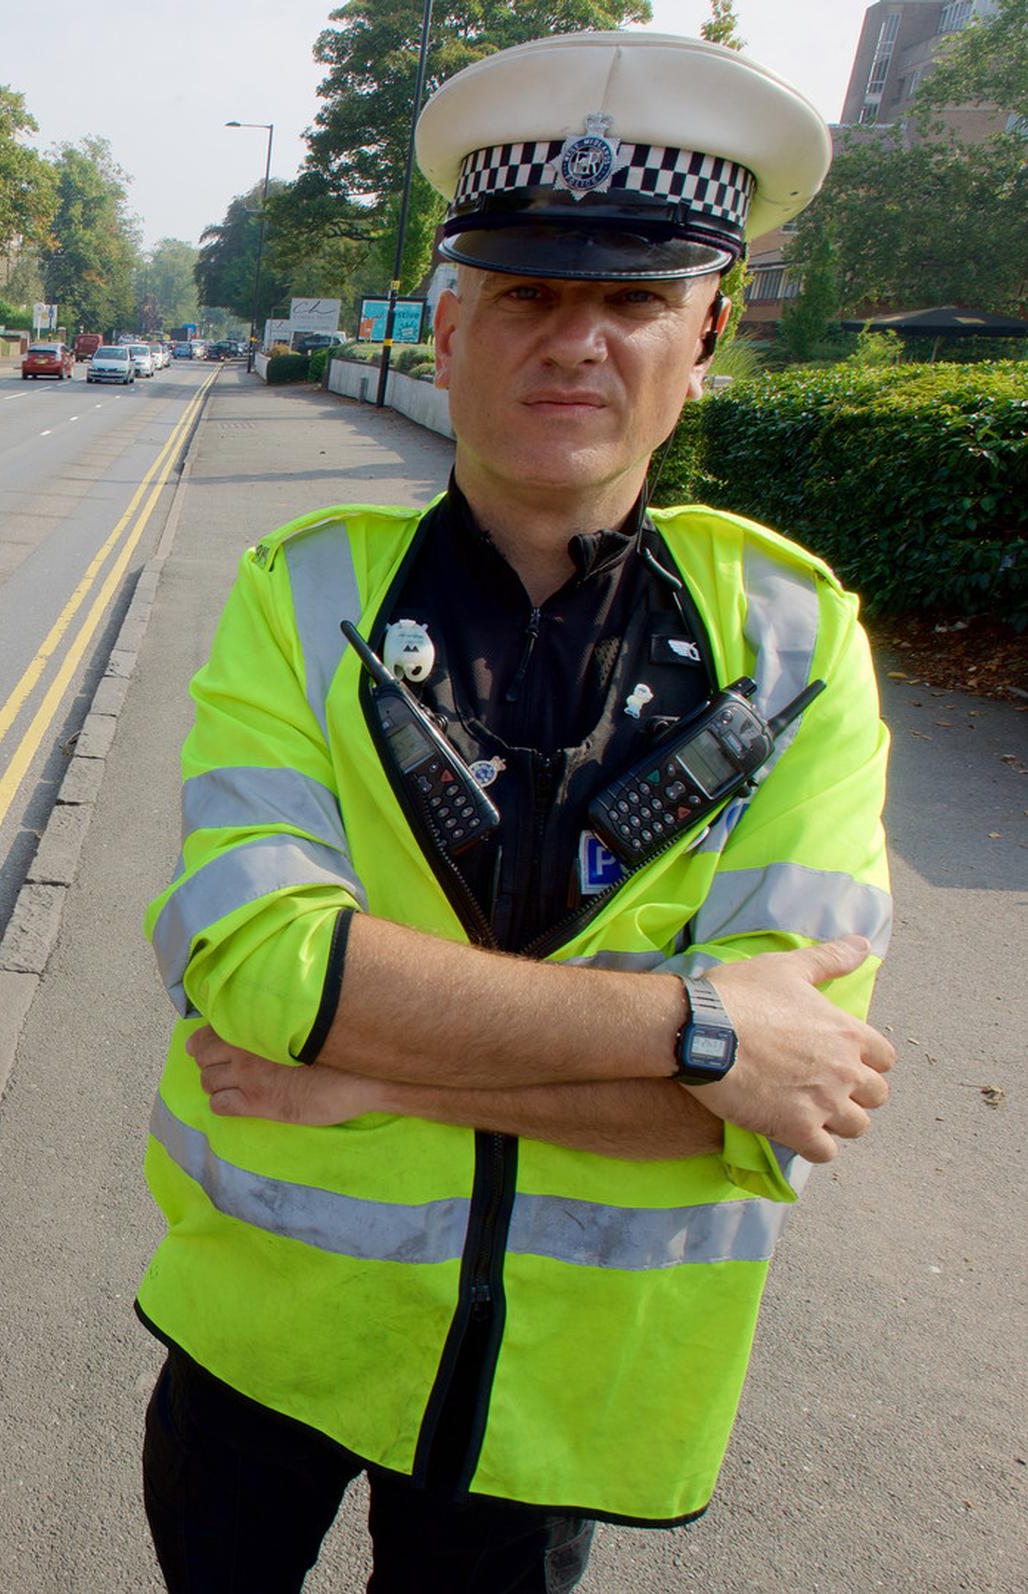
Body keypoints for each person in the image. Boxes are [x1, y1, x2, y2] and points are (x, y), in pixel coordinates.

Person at [138, 32, 894, 1593]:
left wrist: (384, 1079)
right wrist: (703, 1028)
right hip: (262, 1349)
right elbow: (268, 973)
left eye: (634, 301)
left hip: (561, 1401)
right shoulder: (309, 594)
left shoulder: (805, 642)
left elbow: (787, 1110)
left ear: (710, 334)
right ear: (448, 320)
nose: (579, 343)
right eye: (534, 295)